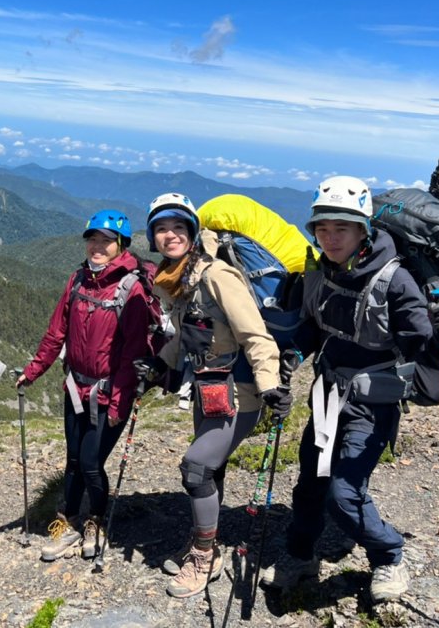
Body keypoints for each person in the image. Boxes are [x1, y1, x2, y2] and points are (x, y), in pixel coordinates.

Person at [259, 176, 439, 603]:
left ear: (364, 230)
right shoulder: (322, 270)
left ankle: (389, 555)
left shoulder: (395, 281)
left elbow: (426, 346)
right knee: (311, 482)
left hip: (373, 404)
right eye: (322, 228)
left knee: (343, 492)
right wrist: (292, 359)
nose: (330, 238)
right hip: (327, 394)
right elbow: (318, 330)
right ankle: (300, 554)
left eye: (342, 228)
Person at [139, 192, 289, 599]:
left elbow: (254, 335)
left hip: (238, 392)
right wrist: (158, 366)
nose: (169, 235)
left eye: (177, 227)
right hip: (205, 389)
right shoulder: (178, 278)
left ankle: (203, 558)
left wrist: (270, 384)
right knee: (213, 469)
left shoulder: (216, 276)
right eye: (161, 229)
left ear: (192, 231)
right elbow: (186, 336)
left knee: (196, 469)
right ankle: (208, 544)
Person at [16, 209, 153, 562]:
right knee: (74, 460)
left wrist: (120, 401)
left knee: (92, 462)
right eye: (92, 238)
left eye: (105, 241)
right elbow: (56, 332)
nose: (97, 246)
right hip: (75, 388)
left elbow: (134, 353)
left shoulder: (131, 289)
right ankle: (68, 520)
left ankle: (95, 521)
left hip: (110, 393)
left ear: (120, 245)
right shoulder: (77, 280)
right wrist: (33, 370)